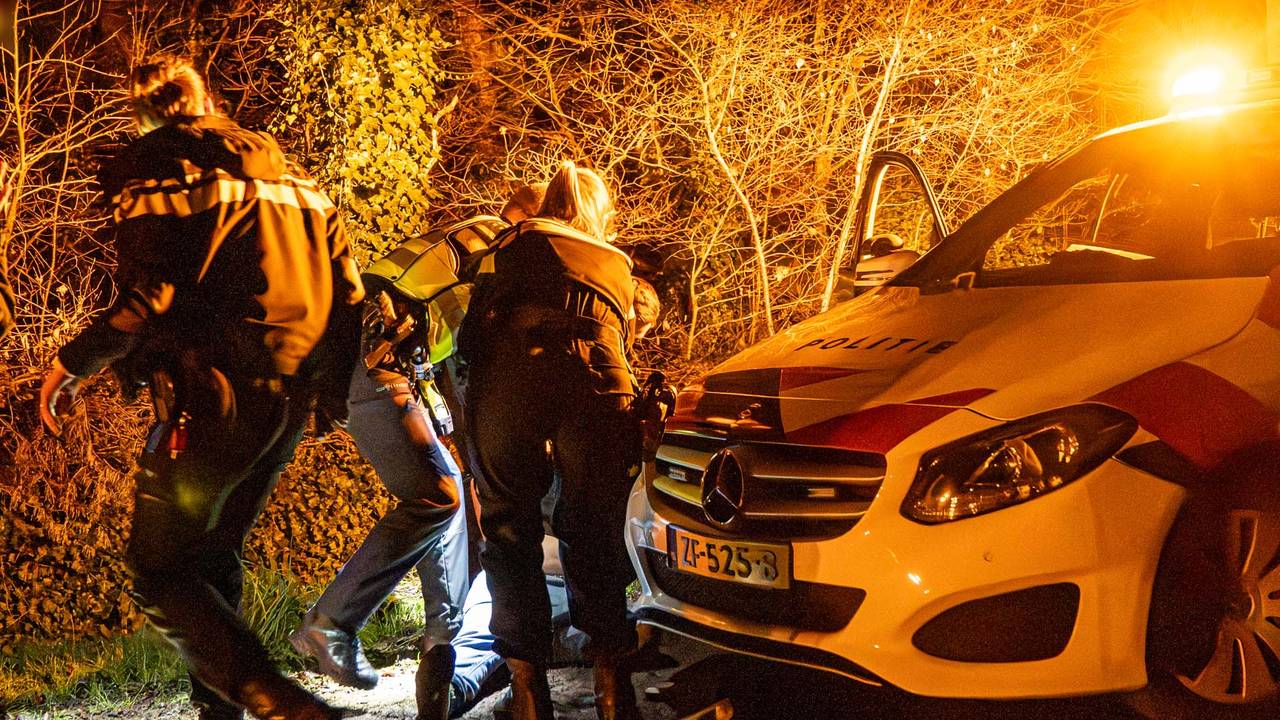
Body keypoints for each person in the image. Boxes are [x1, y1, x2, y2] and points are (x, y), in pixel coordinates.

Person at [38, 56, 363, 720]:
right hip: (289, 394)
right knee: (213, 554)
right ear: (206, 96)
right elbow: (349, 297)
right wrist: (327, 391)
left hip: (209, 387)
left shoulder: (158, 165)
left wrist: (73, 363)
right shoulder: (299, 183)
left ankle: (279, 702)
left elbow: (149, 294)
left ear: (147, 107)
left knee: (157, 568)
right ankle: (226, 711)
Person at [289, 185, 546, 720]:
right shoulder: (499, 244)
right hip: (377, 361)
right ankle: (331, 624)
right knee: (438, 496)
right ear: (526, 221)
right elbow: (480, 362)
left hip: (373, 359)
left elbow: (450, 354)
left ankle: (440, 646)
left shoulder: (456, 242)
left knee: (445, 491)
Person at [459, 160, 642, 720]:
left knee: (508, 527)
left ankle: (528, 691)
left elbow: (470, 330)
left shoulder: (510, 241)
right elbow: (626, 334)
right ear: (600, 213)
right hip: (601, 380)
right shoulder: (617, 263)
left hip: (514, 373)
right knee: (594, 526)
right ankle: (613, 689)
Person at [448, 278, 660, 719]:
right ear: (627, 319)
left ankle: (480, 691)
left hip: (522, 578)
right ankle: (611, 691)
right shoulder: (604, 382)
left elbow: (492, 503)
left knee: (487, 630)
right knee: (608, 618)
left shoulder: (510, 355)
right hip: (570, 580)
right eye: (636, 334)